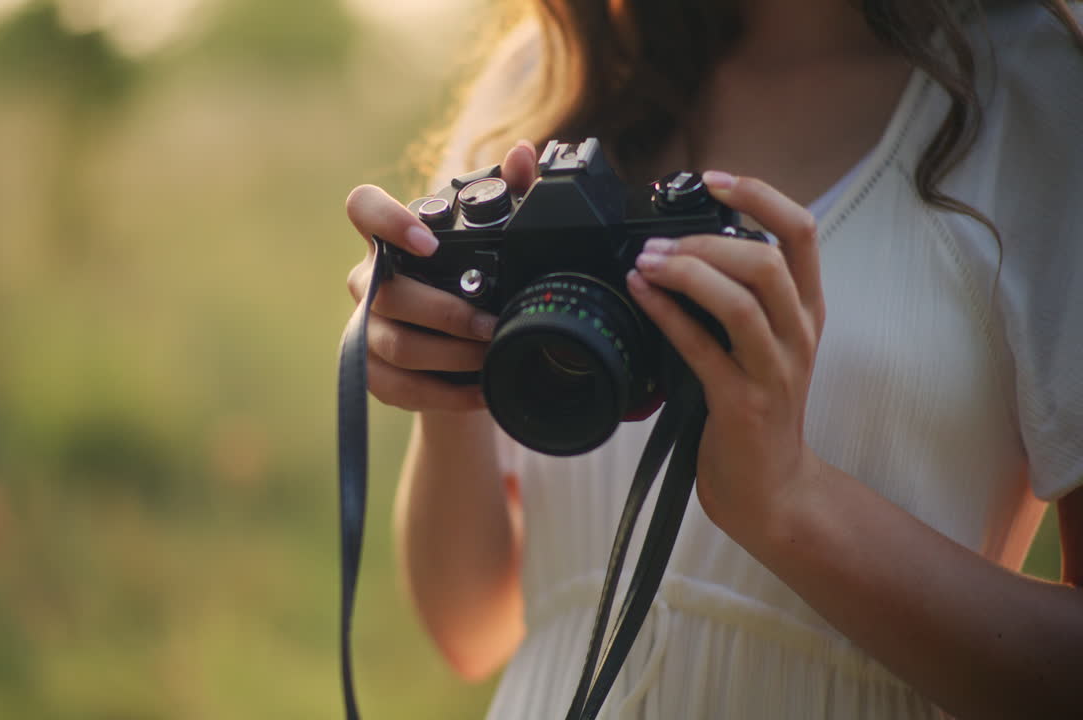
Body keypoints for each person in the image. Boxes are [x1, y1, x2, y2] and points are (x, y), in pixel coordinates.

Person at [344, 0, 1083, 717]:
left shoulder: (1041, 92)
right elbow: (469, 628)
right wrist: (449, 374)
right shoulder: (550, 77)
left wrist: (791, 502)